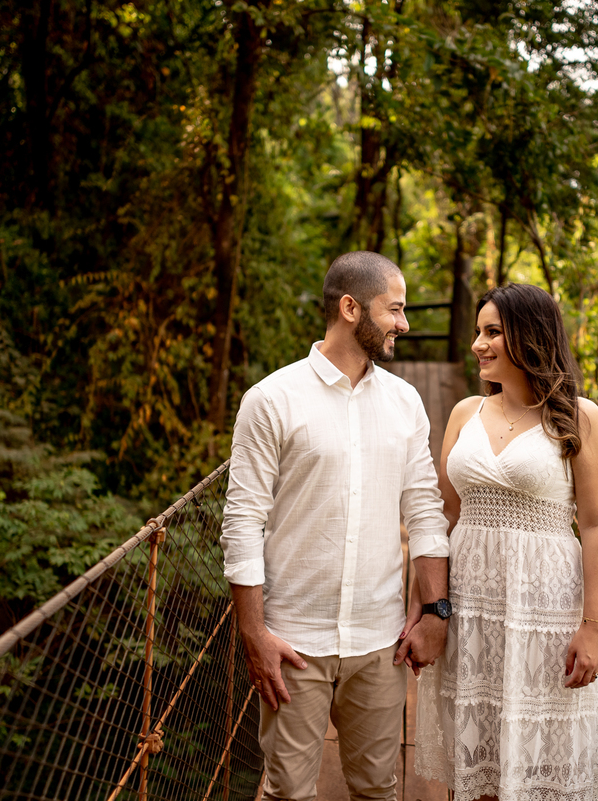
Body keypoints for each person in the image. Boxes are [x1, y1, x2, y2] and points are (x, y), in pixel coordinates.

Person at [220, 251, 452, 801]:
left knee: (378, 788)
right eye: (394, 310)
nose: (404, 323)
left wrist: (436, 612)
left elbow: (424, 510)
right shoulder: (270, 400)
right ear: (351, 308)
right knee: (286, 793)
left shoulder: (405, 402)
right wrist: (253, 633)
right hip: (292, 641)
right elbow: (242, 522)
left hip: (380, 640)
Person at [412, 283, 598, 801]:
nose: (479, 344)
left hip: (541, 614)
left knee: (535, 762)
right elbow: (444, 514)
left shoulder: (580, 417)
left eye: (493, 332)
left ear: (529, 335)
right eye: (478, 332)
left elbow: (596, 526)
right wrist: (426, 607)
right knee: (477, 760)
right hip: (473, 611)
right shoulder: (464, 413)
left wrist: (593, 628)